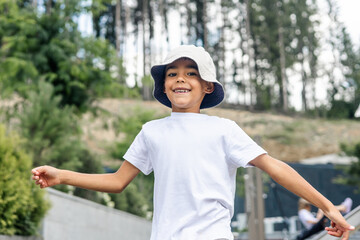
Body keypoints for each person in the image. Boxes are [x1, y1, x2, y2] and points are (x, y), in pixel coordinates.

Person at [32, 45, 355, 240]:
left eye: (191, 73)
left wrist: (328, 208)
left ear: (207, 87)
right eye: (172, 74)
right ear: (164, 86)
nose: (180, 79)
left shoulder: (224, 130)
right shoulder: (151, 132)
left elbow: (275, 168)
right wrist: (62, 175)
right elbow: (117, 181)